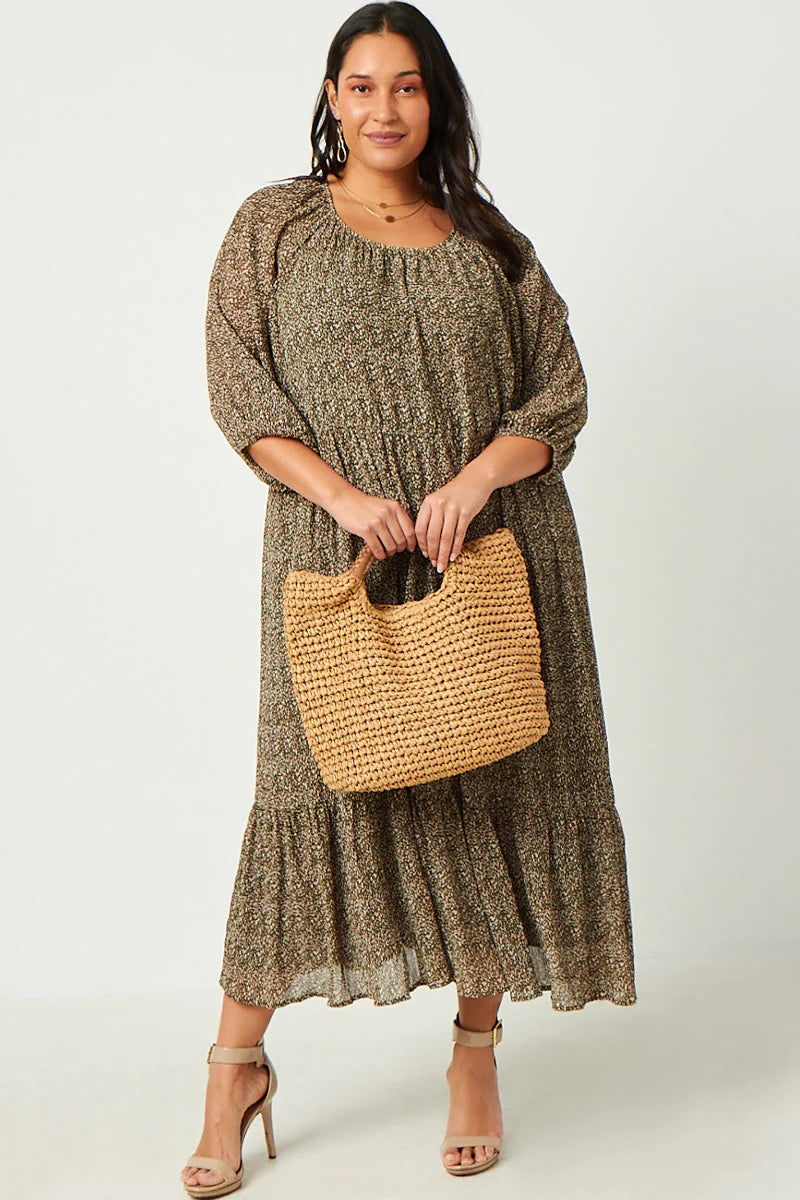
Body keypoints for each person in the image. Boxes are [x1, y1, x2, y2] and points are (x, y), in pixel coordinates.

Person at [181, 3, 637, 1193]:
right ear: (330, 98)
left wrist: (475, 479)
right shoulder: (274, 225)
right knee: (306, 788)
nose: (383, 107)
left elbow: (557, 394)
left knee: (494, 779)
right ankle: (234, 1069)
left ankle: (473, 1055)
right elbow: (240, 390)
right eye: (361, 84)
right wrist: (343, 499)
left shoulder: (487, 237)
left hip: (488, 550)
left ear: (437, 100)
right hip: (333, 552)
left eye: (408, 85)